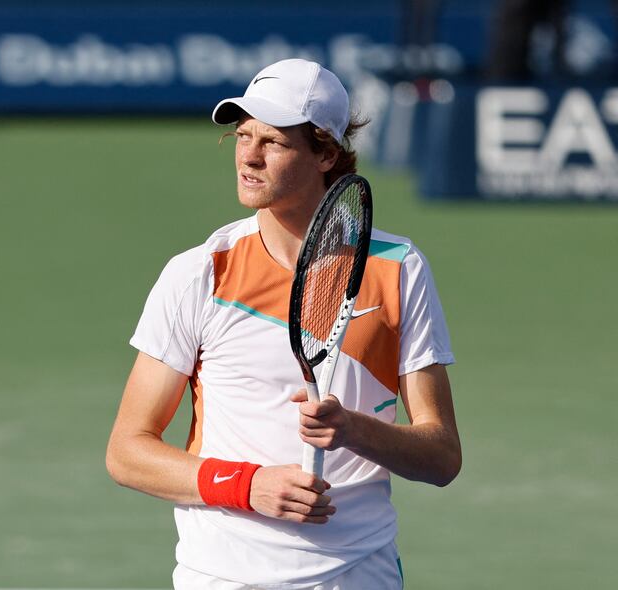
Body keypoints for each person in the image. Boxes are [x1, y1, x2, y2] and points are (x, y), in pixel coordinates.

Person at [106, 58, 461, 589]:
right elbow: (128, 451)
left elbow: (441, 457)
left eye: (273, 141)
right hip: (221, 575)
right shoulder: (200, 272)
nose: (248, 156)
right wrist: (247, 485)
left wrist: (352, 430)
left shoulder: (398, 269)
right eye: (242, 136)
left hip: (356, 574)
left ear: (325, 153)